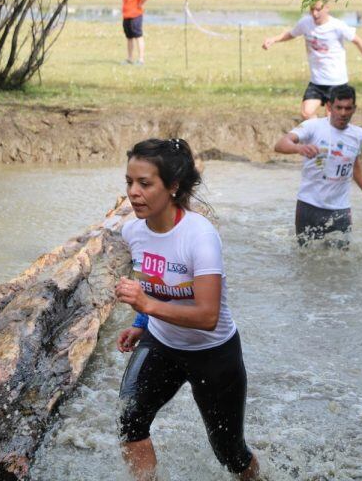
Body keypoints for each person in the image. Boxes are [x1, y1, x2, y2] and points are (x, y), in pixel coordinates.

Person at [115, 138, 261, 481]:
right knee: (129, 419)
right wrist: (141, 320)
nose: (133, 193)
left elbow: (207, 316)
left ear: (173, 187)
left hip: (212, 353)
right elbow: (153, 279)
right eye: (129, 182)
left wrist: (146, 304)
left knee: (229, 452)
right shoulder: (132, 231)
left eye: (145, 184)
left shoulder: (200, 237)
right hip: (162, 343)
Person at [273, 84, 362, 247]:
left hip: (341, 209)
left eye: (348, 108)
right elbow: (280, 144)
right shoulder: (313, 126)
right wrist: (299, 148)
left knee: (341, 263)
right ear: (330, 107)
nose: (343, 113)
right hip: (309, 206)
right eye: (339, 108)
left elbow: (353, 163)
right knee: (306, 258)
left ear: (354, 109)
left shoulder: (358, 135)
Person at [261, 0, 362, 120]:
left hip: (337, 82)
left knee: (333, 119)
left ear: (327, 8)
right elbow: (291, 34)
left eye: (318, 9)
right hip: (316, 82)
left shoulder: (337, 26)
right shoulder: (305, 23)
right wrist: (273, 39)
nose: (314, 13)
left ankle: (328, 136)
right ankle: (319, 134)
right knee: (306, 113)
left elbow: (359, 41)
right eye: (312, 9)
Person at [122, 0, 149, 65]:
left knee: (138, 36)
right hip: (126, 16)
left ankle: (141, 59)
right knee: (129, 37)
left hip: (136, 15)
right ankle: (129, 58)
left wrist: (140, 3)